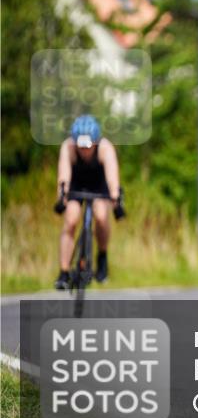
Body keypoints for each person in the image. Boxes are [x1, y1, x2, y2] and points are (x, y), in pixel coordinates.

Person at [53, 115, 125, 289]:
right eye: (81, 146)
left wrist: (116, 201)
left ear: (96, 141)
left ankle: (102, 257)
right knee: (71, 219)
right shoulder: (68, 147)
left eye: (89, 146)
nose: (85, 150)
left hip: (99, 184)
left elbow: (112, 177)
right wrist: (61, 198)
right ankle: (63, 272)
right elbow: (64, 177)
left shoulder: (105, 148)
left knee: (101, 215)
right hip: (76, 183)